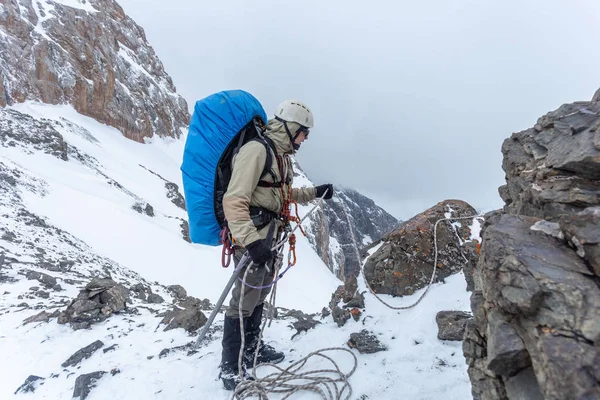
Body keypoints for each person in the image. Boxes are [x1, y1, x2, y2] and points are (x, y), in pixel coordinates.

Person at [219, 100, 334, 390]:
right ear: (291, 128)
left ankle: (252, 349)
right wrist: (251, 242)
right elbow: (234, 200)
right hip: (254, 238)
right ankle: (230, 366)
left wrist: (315, 192)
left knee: (258, 294)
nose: (304, 139)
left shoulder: (280, 156)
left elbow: (281, 192)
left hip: (271, 236)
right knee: (244, 298)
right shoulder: (256, 151)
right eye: (303, 133)